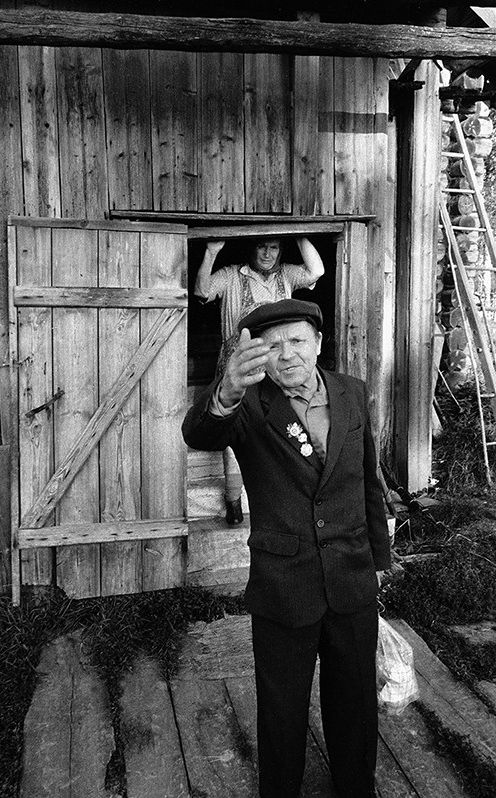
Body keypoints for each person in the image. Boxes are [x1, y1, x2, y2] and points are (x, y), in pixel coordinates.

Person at [182, 298, 391, 798]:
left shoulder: (351, 393)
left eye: (297, 341)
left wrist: (379, 560)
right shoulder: (251, 405)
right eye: (272, 346)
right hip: (284, 585)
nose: (287, 354)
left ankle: (355, 786)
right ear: (259, 356)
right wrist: (226, 390)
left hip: (352, 577)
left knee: (355, 701)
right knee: (282, 708)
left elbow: (369, 483)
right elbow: (199, 433)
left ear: (319, 343)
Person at [194, 237, 324, 525]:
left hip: (277, 364)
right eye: (261, 246)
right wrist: (211, 251)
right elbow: (201, 290)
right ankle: (233, 497)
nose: (267, 253)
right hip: (239, 364)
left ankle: (288, 492)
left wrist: (300, 233)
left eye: (274, 247)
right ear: (251, 248)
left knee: (282, 424)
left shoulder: (286, 274)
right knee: (236, 428)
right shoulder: (230, 275)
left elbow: (316, 271)